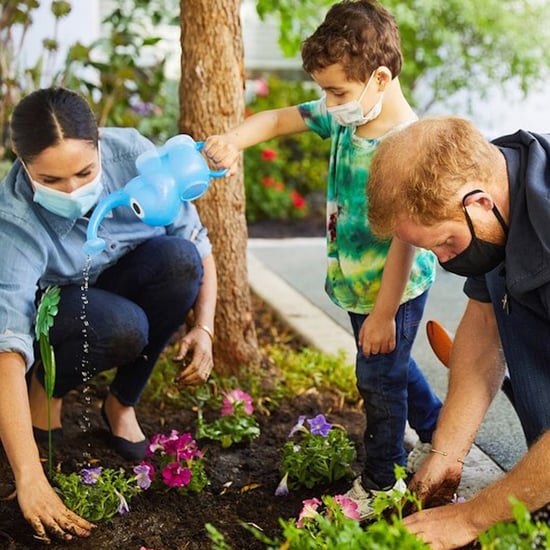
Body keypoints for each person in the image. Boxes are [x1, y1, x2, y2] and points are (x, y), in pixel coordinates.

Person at [204, 0, 441, 519]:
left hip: (392, 287)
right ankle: (437, 431)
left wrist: (383, 313)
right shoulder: (344, 116)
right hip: (359, 284)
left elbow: (407, 240)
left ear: (381, 77)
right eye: (324, 90)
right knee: (388, 365)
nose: (328, 102)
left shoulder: (406, 147)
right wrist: (232, 140)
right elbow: (276, 119)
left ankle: (383, 483)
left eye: (337, 91)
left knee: (377, 378)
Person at [0, 87, 217, 542]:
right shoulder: (14, 218)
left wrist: (205, 328)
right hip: (58, 310)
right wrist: (29, 476)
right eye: (52, 180)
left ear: (99, 143)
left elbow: (197, 243)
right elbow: (7, 346)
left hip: (121, 280)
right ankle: (48, 387)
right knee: (122, 327)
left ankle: (121, 403)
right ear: (22, 164)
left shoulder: (135, 157)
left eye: (84, 171)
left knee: (179, 262)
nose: (73, 189)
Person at [367, 115, 550, 549]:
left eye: (446, 243)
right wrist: (446, 455)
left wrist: (471, 517)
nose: (445, 260)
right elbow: (484, 328)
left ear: (480, 202)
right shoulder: (501, 188)